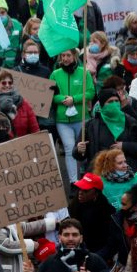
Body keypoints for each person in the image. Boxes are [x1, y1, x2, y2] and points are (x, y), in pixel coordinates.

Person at [74, 88, 137, 173]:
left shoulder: (131, 122)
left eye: (116, 101)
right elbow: (78, 155)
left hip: (130, 175)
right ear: (102, 105)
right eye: (110, 102)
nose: (114, 104)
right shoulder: (90, 126)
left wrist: (125, 146)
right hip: (102, 176)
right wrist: (79, 150)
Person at [50, 48, 96, 183]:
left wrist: (74, 99)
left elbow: (90, 92)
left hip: (81, 118)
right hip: (62, 120)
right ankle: (73, 182)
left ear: (75, 56)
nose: (65, 58)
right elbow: (51, 95)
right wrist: (63, 99)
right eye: (63, 55)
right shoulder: (55, 74)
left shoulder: (84, 73)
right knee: (70, 148)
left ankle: (84, 178)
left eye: (68, 55)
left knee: (83, 149)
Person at [35, 218, 111, 272]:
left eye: (74, 235)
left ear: (81, 238)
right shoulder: (48, 263)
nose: (70, 239)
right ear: (59, 238)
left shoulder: (95, 260)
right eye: (66, 235)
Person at [0, 70, 39, 141]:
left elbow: (35, 130)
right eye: (4, 83)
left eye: (10, 83)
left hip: (22, 148)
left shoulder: (24, 104)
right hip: (0, 150)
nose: (7, 85)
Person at [68, 173, 115, 253]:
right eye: (80, 188)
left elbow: (109, 240)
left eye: (85, 190)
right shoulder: (75, 204)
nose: (80, 192)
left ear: (96, 194)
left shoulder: (105, 211)